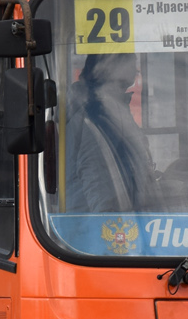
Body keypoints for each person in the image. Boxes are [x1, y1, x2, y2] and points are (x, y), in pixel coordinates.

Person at [65, 52, 160, 212]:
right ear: (107, 67)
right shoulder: (95, 113)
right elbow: (99, 182)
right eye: (128, 59)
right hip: (102, 226)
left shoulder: (112, 106)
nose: (136, 68)